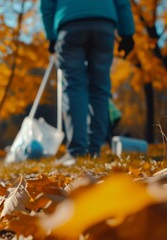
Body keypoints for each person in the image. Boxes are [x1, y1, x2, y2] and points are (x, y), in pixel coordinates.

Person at [40, 0, 135, 165]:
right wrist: (127, 32)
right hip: (103, 23)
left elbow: (46, 5)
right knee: (99, 89)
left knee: (73, 87)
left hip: (69, 25)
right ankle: (94, 150)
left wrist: (51, 36)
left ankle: (77, 151)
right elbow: (122, 2)